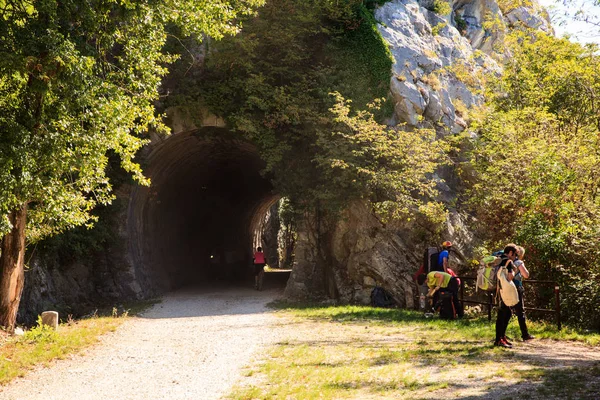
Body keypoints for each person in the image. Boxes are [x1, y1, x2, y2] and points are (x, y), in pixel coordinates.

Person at [494, 244, 518, 348]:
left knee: (505, 313)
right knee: (503, 315)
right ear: (511, 253)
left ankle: (501, 338)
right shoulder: (507, 261)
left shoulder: (500, 258)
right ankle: (499, 339)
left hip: (499, 290)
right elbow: (509, 277)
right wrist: (514, 270)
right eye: (515, 254)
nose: (515, 257)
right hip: (504, 291)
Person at [513, 245, 534, 341]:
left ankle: (501, 335)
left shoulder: (506, 261)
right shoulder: (518, 262)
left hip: (506, 288)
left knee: (505, 312)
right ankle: (525, 334)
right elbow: (526, 275)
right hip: (517, 287)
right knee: (520, 311)